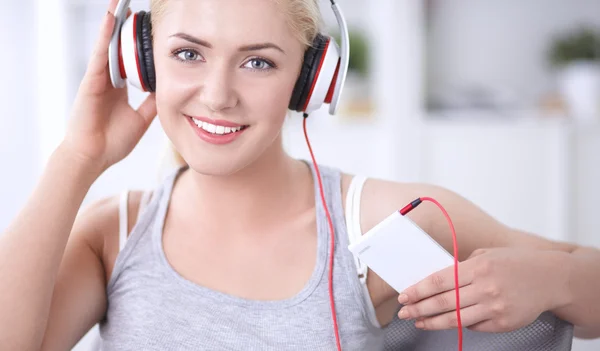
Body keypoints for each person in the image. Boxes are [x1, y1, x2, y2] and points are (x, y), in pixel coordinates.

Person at [2, 0, 600, 350]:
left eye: (258, 62)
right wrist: (77, 158)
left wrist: (554, 279)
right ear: (144, 60)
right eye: (188, 53)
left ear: (310, 81)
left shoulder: (376, 220)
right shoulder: (115, 233)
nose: (217, 95)